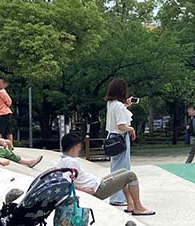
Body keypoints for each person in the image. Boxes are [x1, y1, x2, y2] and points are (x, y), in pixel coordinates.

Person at [58, 133, 154, 215]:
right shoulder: (70, 162)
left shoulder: (64, 160)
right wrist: (84, 190)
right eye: (79, 147)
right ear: (74, 148)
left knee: (123, 171)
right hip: (97, 189)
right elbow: (67, 182)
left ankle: (131, 205)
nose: (80, 149)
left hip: (97, 183)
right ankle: (138, 207)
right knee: (131, 175)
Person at [104, 78, 138, 207]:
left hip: (112, 137)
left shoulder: (111, 103)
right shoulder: (118, 105)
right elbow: (121, 125)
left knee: (115, 168)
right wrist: (131, 129)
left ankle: (115, 196)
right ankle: (119, 198)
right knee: (123, 168)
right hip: (120, 137)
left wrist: (126, 105)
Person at [0, 76, 15, 147]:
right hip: (4, 113)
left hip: (2, 113)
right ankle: (10, 146)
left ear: (4, 84)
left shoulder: (2, 92)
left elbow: (9, 101)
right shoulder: (0, 92)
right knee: (8, 131)